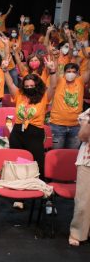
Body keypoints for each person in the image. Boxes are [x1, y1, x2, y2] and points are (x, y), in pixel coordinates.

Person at [4, 55, 57, 209]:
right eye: (26, 86)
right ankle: (19, 197)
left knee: (37, 164)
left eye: (31, 85)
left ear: (37, 85)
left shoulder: (43, 96)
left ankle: (42, 196)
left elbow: (53, 87)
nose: (28, 88)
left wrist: (53, 72)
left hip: (34, 133)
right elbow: (10, 83)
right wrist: (5, 70)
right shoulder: (19, 95)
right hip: (18, 132)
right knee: (19, 164)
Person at [49, 63, 90, 149]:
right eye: (68, 71)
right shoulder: (59, 80)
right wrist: (52, 70)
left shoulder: (80, 81)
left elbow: (88, 71)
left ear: (77, 73)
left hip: (75, 126)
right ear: (64, 73)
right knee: (56, 155)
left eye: (73, 72)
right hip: (57, 126)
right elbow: (52, 83)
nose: (71, 73)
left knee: (72, 156)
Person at [69, 109, 90, 246]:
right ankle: (77, 233)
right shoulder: (87, 115)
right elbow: (83, 137)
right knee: (83, 202)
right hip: (87, 161)